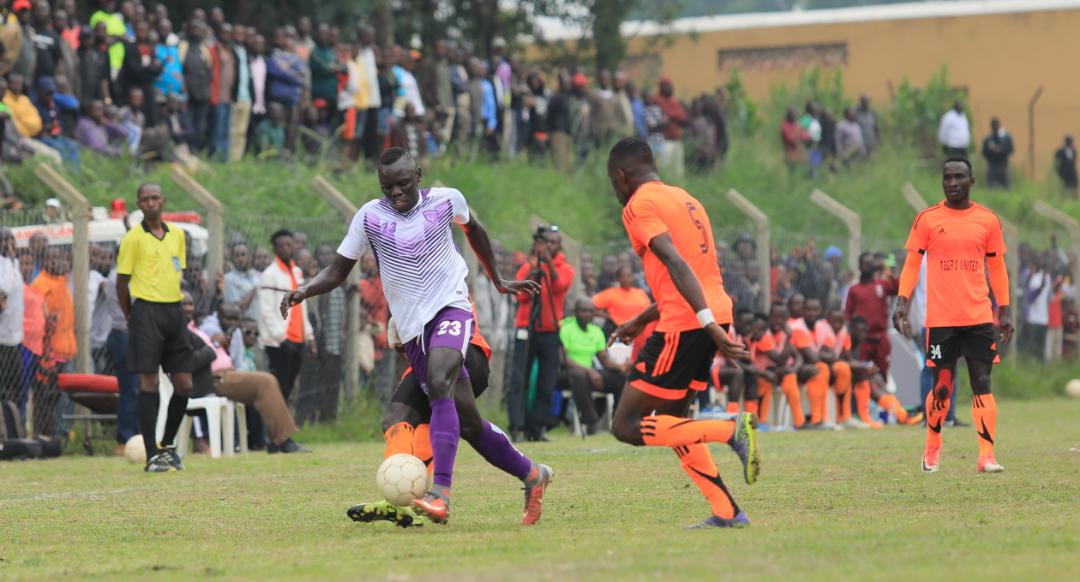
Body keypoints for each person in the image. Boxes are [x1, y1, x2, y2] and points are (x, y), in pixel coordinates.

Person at [282, 147, 552, 526]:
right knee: (411, 417)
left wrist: (497, 279)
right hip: (414, 333)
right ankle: (530, 475)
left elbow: (475, 229)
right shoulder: (370, 217)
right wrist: (305, 290)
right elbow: (338, 269)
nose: (396, 194)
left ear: (419, 175)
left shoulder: (446, 200)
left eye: (403, 184)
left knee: (442, 378)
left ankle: (440, 492)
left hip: (451, 311)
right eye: (387, 187)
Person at [605, 137, 759, 529]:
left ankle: (729, 429)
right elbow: (691, 271)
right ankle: (727, 512)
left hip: (689, 322)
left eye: (612, 181)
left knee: (625, 425)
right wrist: (643, 319)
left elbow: (674, 261)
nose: (615, 191)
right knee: (673, 421)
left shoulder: (639, 205)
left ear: (622, 175)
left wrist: (703, 322)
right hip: (710, 313)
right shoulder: (686, 200)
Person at [893, 157, 1013, 474]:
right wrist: (901, 302)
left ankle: (986, 455)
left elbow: (997, 267)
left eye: (959, 177)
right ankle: (932, 446)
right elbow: (911, 264)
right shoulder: (927, 220)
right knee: (942, 386)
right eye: (947, 177)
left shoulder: (987, 220)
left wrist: (1006, 308)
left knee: (982, 381)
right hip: (942, 319)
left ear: (971, 180)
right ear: (942, 181)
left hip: (978, 316)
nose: (953, 182)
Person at [348, 310, 497, 527]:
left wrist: (399, 323)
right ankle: (401, 501)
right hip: (429, 352)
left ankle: (529, 472)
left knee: (469, 427)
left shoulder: (440, 284)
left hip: (465, 351)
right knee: (398, 419)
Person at [116, 183, 195, 472]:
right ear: (138, 204)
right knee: (148, 381)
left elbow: (176, 270)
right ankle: (151, 455)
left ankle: (168, 445)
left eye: (154, 198)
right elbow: (121, 283)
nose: (150, 203)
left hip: (174, 310)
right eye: (144, 199)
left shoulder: (177, 235)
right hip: (145, 310)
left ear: (163, 201)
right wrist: (131, 315)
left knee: (184, 382)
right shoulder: (133, 238)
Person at [181, 292, 308, 454]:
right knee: (266, 381)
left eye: (190, 304)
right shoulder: (206, 328)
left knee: (269, 381)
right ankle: (282, 440)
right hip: (214, 378)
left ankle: (277, 438)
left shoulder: (197, 328)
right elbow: (206, 349)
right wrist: (214, 343)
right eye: (183, 304)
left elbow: (235, 358)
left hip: (229, 373)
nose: (188, 308)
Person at [508, 225, 574, 443]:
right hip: (525, 329)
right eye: (546, 242)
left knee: (547, 382)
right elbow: (521, 297)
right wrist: (532, 268)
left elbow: (559, 286)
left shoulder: (565, 268)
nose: (550, 246)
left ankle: (536, 429)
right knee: (519, 380)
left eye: (553, 242)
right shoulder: (527, 267)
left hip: (550, 331)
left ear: (559, 245)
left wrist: (547, 266)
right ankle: (517, 427)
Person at [257, 229, 313, 403]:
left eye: (289, 245)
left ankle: (283, 427)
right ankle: (276, 428)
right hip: (280, 341)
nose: (286, 249)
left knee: (289, 386)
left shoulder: (297, 272)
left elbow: (302, 307)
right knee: (279, 386)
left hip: (298, 338)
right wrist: (280, 337)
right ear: (275, 249)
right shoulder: (270, 274)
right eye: (281, 246)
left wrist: (309, 334)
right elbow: (265, 310)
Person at [558, 298, 627, 435]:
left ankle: (618, 422)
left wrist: (621, 367)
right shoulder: (566, 329)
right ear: (576, 312)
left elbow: (604, 360)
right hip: (566, 373)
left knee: (620, 378)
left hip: (588, 375)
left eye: (591, 311)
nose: (587, 314)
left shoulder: (596, 331)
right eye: (583, 311)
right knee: (579, 376)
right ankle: (591, 423)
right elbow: (563, 359)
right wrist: (589, 371)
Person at [844, 252, 897, 377]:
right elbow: (847, 315)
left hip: (881, 337)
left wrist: (887, 271)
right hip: (863, 339)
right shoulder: (854, 289)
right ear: (859, 266)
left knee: (882, 373)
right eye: (864, 263)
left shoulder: (881, 285)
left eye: (870, 263)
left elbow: (898, 288)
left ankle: (882, 395)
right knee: (861, 373)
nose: (867, 266)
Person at [591, 265, 652, 358]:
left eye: (628, 276)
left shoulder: (641, 293)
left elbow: (649, 312)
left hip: (643, 336)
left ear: (633, 277)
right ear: (618, 278)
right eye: (622, 276)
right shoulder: (611, 293)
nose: (626, 279)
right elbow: (590, 307)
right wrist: (608, 316)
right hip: (621, 336)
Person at [0, 229, 23, 409]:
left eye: (12, 240)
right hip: (2, 338)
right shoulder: (3, 264)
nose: (10, 245)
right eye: (6, 241)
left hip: (13, 337)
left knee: (15, 389)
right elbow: (4, 289)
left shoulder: (13, 263)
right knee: (6, 389)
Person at [223, 242, 260, 320]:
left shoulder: (256, 276)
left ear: (249, 257)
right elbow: (237, 308)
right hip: (243, 325)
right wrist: (254, 290)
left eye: (243, 255)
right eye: (237, 256)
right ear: (232, 259)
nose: (240, 259)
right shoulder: (229, 279)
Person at [981, 118, 1013, 189]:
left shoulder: (1006, 138)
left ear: (999, 125)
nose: (995, 127)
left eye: (996, 125)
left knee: (1005, 186)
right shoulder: (988, 139)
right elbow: (984, 153)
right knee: (991, 186)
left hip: (1003, 164)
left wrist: (1001, 150)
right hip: (992, 165)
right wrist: (991, 151)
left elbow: (1010, 150)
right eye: (993, 126)